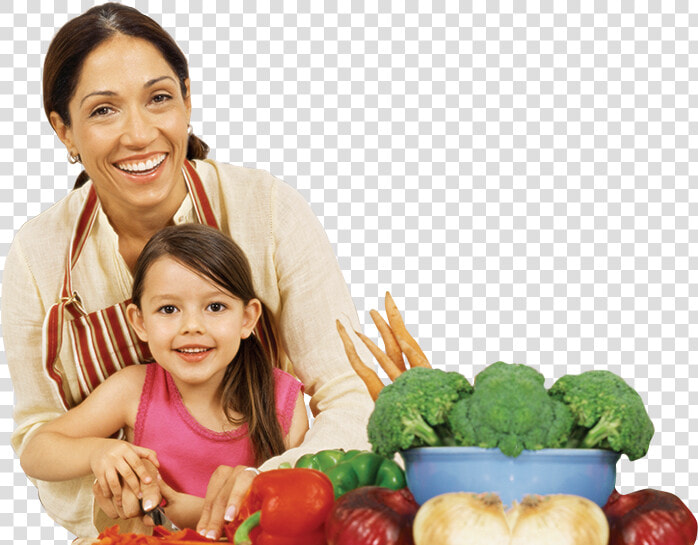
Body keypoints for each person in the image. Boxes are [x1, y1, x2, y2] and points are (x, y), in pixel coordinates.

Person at [2, 3, 373, 542]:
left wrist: (268, 484)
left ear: (187, 101)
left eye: (159, 99)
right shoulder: (38, 256)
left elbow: (349, 391)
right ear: (65, 131)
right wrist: (115, 487)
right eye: (104, 110)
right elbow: (38, 436)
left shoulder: (267, 210)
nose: (138, 134)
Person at [19, 224, 309, 535]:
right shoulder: (133, 389)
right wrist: (98, 452)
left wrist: (189, 510)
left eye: (215, 306)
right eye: (168, 309)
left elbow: (297, 516)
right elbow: (36, 451)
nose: (192, 326)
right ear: (139, 322)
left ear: (247, 318)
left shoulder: (282, 399)